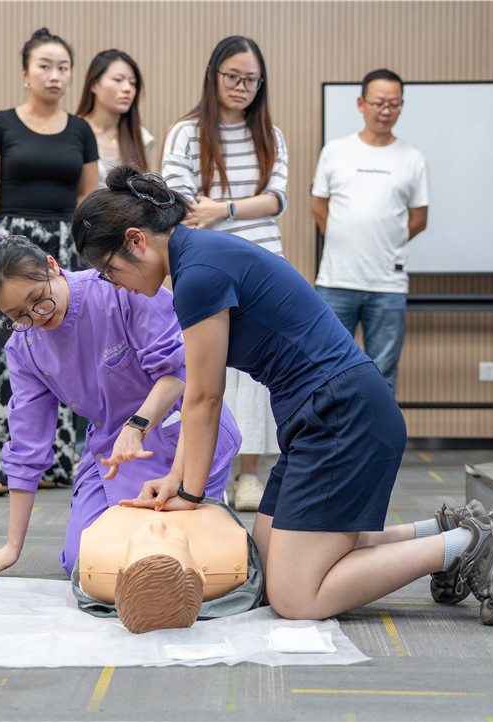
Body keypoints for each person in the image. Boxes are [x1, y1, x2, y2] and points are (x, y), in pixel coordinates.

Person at [70, 166, 493, 626]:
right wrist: (175, 479)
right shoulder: (197, 257)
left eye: (108, 270)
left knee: (295, 596)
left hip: (342, 415)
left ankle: (468, 544)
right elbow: (196, 394)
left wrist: (188, 494)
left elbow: (205, 398)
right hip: (322, 414)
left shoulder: (198, 275)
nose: (113, 283)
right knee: (267, 565)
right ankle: (439, 531)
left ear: (137, 240)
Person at [0, 235, 240, 578]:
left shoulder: (117, 288)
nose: (37, 316)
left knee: (170, 551)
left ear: (52, 265)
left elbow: (177, 372)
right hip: (112, 450)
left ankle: (211, 524)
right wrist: (13, 546)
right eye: (19, 315)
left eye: (38, 299)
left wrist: (136, 426)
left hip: (180, 432)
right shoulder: (24, 346)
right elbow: (27, 445)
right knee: (84, 561)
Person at [0, 28, 99, 497]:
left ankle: (55, 461)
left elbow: (89, 197)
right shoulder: (0, 124)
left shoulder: (80, 130)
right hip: (9, 245)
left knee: (62, 351)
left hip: (63, 246)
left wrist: (93, 258)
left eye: (63, 67)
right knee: (5, 352)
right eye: (44, 66)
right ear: (25, 73)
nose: (55, 75)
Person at [161, 36, 289, 512]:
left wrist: (222, 209)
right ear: (214, 75)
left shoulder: (271, 135)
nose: (241, 86)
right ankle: (207, 472)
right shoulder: (186, 133)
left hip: (266, 265)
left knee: (256, 373)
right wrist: (228, 210)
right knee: (208, 371)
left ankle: (249, 474)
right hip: (209, 266)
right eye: (232, 77)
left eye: (251, 79)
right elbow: (178, 202)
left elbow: (277, 200)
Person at [311, 68, 429, 395]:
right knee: (326, 371)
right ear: (361, 104)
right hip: (336, 281)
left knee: (382, 376)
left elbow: (419, 219)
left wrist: (384, 241)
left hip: (388, 286)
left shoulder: (413, 159)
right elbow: (319, 208)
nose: (386, 111)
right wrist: (346, 239)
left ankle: (377, 432)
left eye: (394, 104)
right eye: (379, 103)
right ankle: (334, 432)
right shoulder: (335, 151)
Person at [77, 502, 263, 634]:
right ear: (200, 573)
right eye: (177, 540)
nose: (158, 524)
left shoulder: (97, 555)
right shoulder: (226, 553)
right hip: (197, 498)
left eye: (139, 541)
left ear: (120, 573)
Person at [75, 49, 153, 187]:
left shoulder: (140, 136)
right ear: (94, 85)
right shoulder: (74, 131)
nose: (127, 88)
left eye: (132, 83)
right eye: (118, 80)